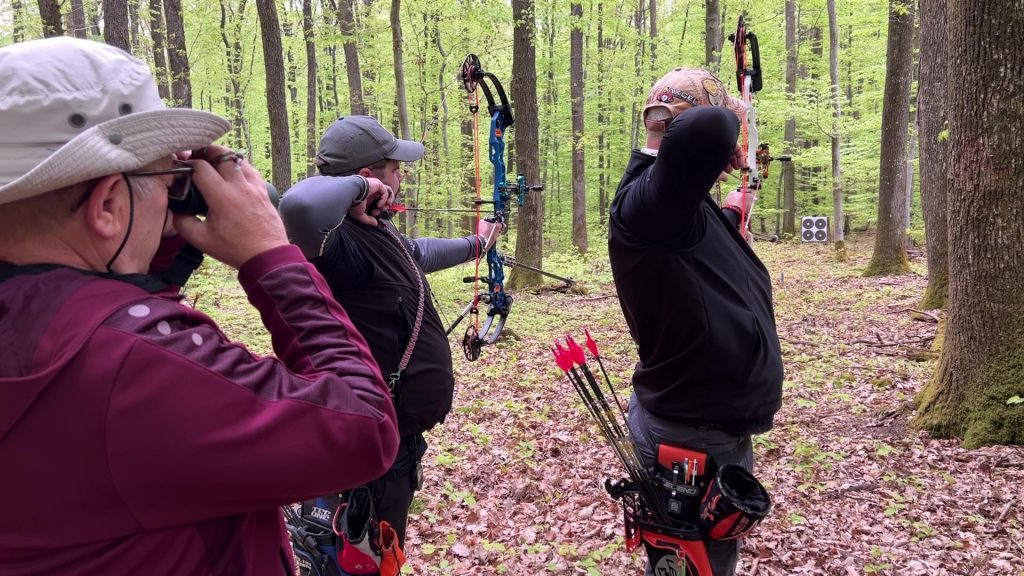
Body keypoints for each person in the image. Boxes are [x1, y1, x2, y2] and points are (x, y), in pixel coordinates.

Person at [0, 38, 399, 575]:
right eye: (169, 184)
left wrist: (160, 232)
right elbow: (363, 426)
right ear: (109, 206)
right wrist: (271, 256)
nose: (176, 199)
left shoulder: (47, 333)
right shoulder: (131, 367)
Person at [279, 116, 503, 551]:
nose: (402, 177)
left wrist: (478, 244)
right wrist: (363, 192)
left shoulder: (373, 230)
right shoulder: (337, 245)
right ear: (367, 178)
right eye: (395, 170)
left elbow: (418, 253)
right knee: (363, 557)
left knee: (382, 551)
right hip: (365, 444)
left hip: (393, 441)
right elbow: (299, 206)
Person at [607, 67, 783, 576]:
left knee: (711, 560)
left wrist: (731, 210)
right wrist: (733, 114)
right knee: (693, 567)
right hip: (688, 432)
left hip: (706, 424)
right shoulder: (644, 204)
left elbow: (692, 255)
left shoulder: (674, 208)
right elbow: (707, 132)